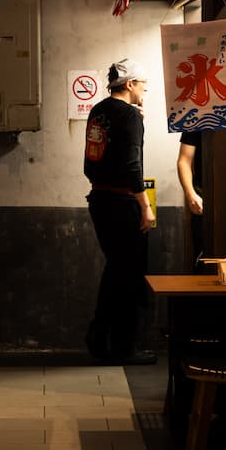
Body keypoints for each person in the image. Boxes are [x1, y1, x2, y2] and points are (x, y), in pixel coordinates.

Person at [83, 58, 157, 365]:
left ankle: (101, 340)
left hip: (100, 200)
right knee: (129, 275)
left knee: (116, 271)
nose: (145, 90)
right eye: (143, 84)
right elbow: (132, 165)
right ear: (129, 84)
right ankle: (123, 348)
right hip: (123, 203)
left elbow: (94, 159)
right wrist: (145, 206)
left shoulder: (98, 111)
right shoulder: (129, 115)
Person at [176, 130, 205, 270]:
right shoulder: (196, 119)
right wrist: (190, 193)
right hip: (203, 198)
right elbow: (184, 160)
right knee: (202, 259)